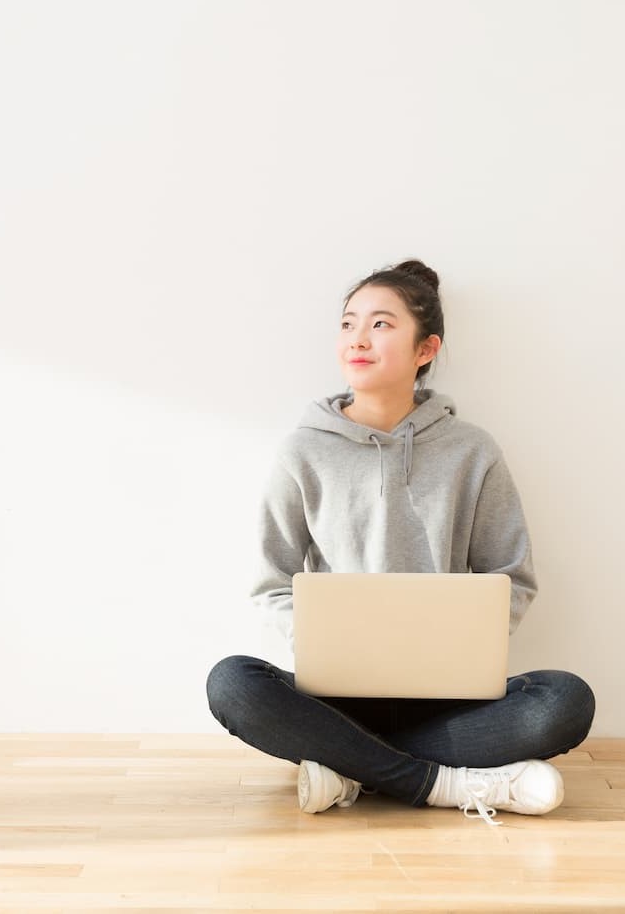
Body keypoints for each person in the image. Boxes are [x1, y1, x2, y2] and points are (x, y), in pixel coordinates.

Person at [205, 259, 596, 826]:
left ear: (425, 349)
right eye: (347, 323)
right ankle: (440, 783)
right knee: (233, 683)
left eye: (381, 324)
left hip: (448, 698)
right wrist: (320, 639)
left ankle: (349, 767)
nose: (357, 339)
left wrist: (462, 640)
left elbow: (509, 573)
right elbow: (272, 581)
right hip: (334, 698)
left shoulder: (472, 451)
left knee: (565, 701)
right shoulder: (303, 452)